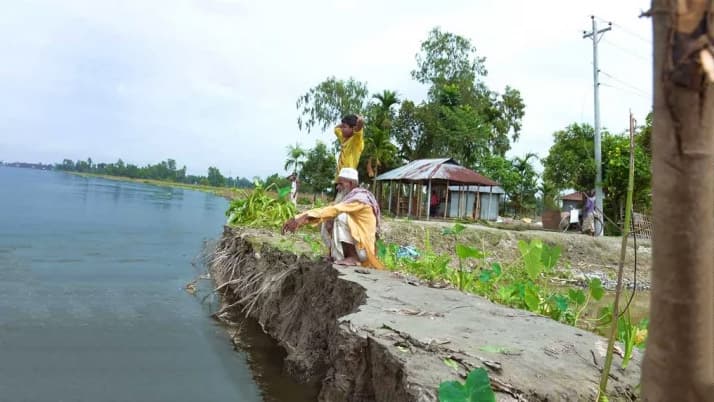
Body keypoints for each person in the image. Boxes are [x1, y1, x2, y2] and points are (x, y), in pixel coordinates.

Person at [282, 167, 384, 269]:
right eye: (337, 184)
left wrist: (301, 218)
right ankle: (334, 256)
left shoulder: (360, 199)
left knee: (341, 217)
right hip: (358, 246)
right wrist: (298, 218)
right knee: (327, 219)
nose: (337, 187)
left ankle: (353, 257)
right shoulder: (348, 198)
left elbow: (334, 210)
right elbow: (328, 210)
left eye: (341, 184)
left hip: (363, 250)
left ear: (351, 184)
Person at [334, 114, 365, 179]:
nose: (341, 129)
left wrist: (359, 120)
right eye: (342, 127)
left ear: (353, 128)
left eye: (344, 127)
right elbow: (336, 129)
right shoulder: (343, 138)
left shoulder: (356, 140)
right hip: (339, 179)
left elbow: (359, 126)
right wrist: (345, 122)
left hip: (348, 178)